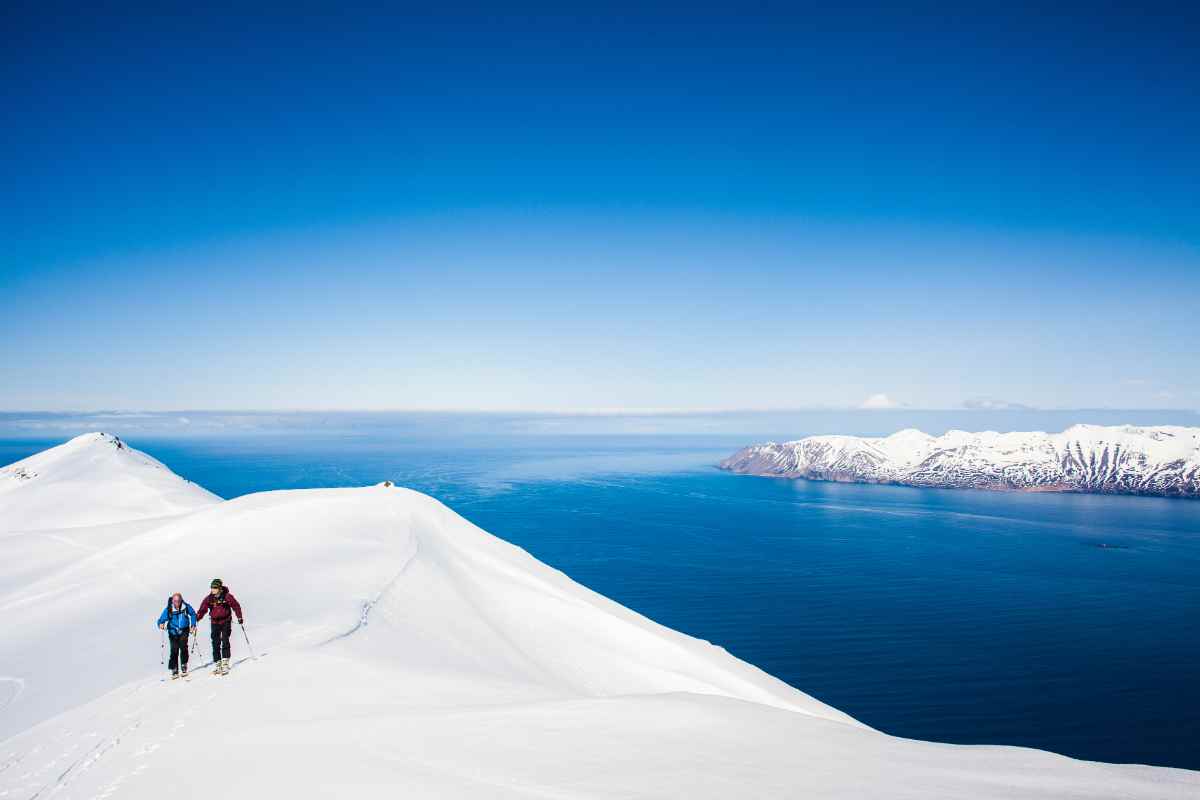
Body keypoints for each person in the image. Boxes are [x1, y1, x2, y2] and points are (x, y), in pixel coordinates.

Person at [195, 578, 243, 675]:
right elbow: (203, 609)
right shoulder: (209, 598)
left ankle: (225, 661)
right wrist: (198, 617)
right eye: (212, 587)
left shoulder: (227, 596)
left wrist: (239, 617)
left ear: (220, 588)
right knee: (215, 642)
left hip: (225, 620)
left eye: (215, 588)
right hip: (214, 622)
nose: (213, 589)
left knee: (225, 639)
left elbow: (236, 606)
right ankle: (218, 663)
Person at [156, 592, 197, 679]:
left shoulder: (185, 607)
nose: (177, 603)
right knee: (174, 649)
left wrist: (193, 625)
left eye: (178, 601)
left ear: (181, 600)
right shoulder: (169, 609)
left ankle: (184, 664)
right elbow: (160, 620)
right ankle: (174, 669)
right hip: (173, 631)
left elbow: (193, 614)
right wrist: (160, 624)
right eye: (175, 601)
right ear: (173, 601)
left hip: (184, 630)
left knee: (183, 647)